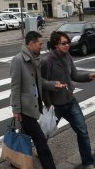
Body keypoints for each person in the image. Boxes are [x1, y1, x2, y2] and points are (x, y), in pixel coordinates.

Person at [42, 30, 95, 169]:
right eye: (64, 43)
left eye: (68, 43)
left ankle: (88, 164)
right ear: (55, 45)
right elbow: (42, 83)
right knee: (46, 132)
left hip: (70, 101)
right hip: (55, 105)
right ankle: (39, 147)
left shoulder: (68, 57)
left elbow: (75, 75)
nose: (67, 46)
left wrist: (90, 76)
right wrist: (48, 104)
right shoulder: (47, 61)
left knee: (82, 131)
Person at [10, 30, 67, 169]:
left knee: (25, 136)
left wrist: (54, 84)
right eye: (39, 44)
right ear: (31, 43)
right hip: (25, 108)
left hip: (34, 106)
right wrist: (16, 109)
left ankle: (15, 163)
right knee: (41, 141)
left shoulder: (35, 59)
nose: (41, 46)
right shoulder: (18, 60)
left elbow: (39, 81)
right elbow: (15, 87)